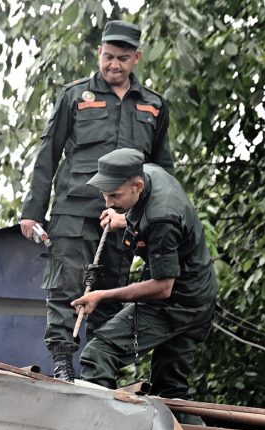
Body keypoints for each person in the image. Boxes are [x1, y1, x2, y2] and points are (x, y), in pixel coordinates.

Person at [19, 19, 174, 382]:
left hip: (122, 218)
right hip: (74, 210)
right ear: (99, 53)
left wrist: (154, 220)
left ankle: (98, 372)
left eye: (122, 58)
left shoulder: (153, 105)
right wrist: (32, 212)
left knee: (111, 292)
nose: (114, 65)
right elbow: (48, 153)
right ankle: (62, 362)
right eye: (108, 56)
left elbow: (161, 170)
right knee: (64, 286)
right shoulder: (75, 96)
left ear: (137, 58)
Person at [71, 148, 217, 401]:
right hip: (201, 296)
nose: (108, 204)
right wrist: (124, 219)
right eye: (105, 195)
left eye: (115, 195)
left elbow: (162, 287)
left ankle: (99, 422)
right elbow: (146, 213)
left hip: (178, 303)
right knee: (170, 391)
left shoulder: (163, 218)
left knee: (98, 354)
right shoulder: (149, 173)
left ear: (137, 186)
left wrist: (102, 295)